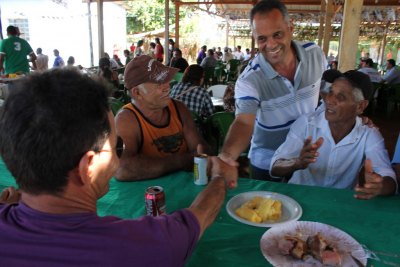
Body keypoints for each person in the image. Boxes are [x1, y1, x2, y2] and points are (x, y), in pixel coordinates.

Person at [0, 68, 237, 266]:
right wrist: (218, 178)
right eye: (117, 147)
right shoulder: (135, 248)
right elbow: (197, 218)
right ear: (88, 167)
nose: (117, 157)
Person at [219, 0, 327, 181]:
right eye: (262, 38)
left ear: (290, 28)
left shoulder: (315, 54)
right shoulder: (249, 79)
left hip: (309, 155)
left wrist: (354, 116)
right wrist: (227, 157)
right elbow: (244, 123)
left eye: (277, 34)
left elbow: (328, 94)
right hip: (267, 162)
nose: (271, 45)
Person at [270, 70, 396, 199]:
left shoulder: (368, 134)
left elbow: (388, 176)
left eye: (341, 97)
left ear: (360, 106)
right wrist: (297, 162)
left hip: (339, 204)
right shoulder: (307, 124)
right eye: (330, 92)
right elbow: (275, 166)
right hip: (300, 199)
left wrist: (380, 186)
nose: (329, 100)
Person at [115, 55, 210, 181]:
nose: (167, 86)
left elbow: (202, 151)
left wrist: (155, 165)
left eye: (166, 79)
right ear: (137, 93)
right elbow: (123, 169)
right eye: (158, 82)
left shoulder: (179, 108)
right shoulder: (126, 119)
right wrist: (182, 160)